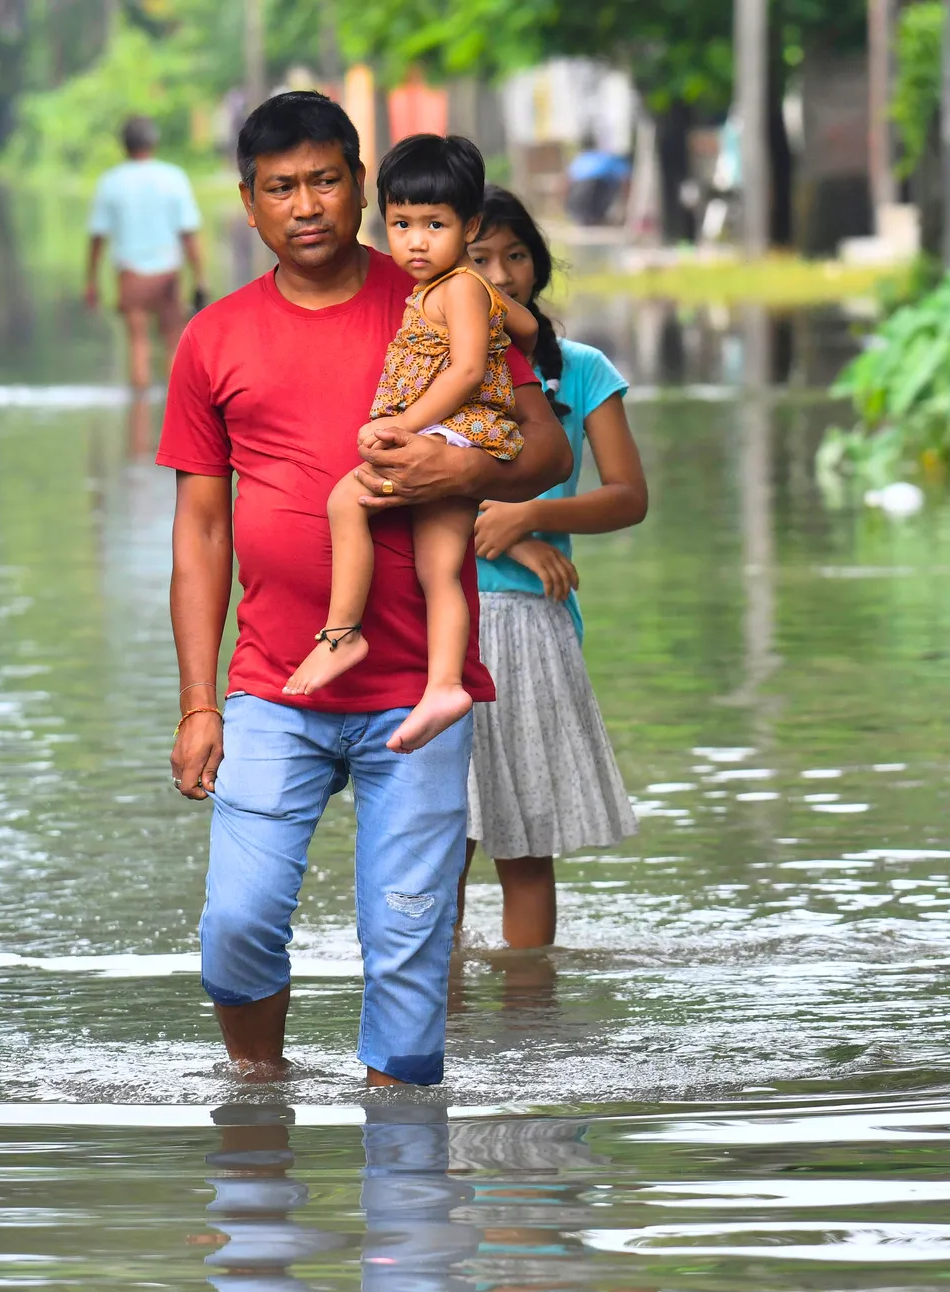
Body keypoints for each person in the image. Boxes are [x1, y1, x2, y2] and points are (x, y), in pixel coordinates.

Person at [159, 92, 572, 1088]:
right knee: (236, 924)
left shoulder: (436, 291)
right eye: (279, 188)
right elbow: (201, 529)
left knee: (407, 945)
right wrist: (196, 701)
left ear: (360, 183)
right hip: (272, 684)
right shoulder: (211, 340)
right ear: (248, 205)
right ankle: (256, 1100)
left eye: (324, 180)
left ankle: (404, 1176)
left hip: (415, 689)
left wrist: (455, 472)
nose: (305, 205)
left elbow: (546, 448)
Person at [282, 134, 538, 757]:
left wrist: (406, 425)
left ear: (469, 225)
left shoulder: (457, 288)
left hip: (450, 431)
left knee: (346, 501)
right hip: (455, 431)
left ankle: (343, 634)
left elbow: (468, 372)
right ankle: (445, 684)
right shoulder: (456, 288)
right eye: (400, 224)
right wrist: (495, 300)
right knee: (439, 571)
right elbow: (529, 326)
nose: (416, 241)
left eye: (435, 224)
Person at [460, 184, 646, 949]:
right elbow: (390, 484)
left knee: (526, 848)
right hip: (442, 617)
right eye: (481, 260)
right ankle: (431, 1027)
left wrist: (532, 515)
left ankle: (531, 1031)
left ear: (538, 266)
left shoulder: (581, 369)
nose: (501, 275)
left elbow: (627, 496)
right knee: (436, 845)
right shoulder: (432, 366)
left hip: (535, 629)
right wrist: (495, 530)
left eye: (516, 256)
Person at [86, 115, 206, 390]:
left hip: (131, 274)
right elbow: (188, 235)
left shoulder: (110, 182)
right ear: (154, 142)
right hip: (168, 273)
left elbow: (97, 239)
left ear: (123, 146)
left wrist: (91, 281)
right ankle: (177, 417)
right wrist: (200, 277)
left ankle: (138, 422)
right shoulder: (173, 178)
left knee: (138, 344)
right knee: (174, 344)